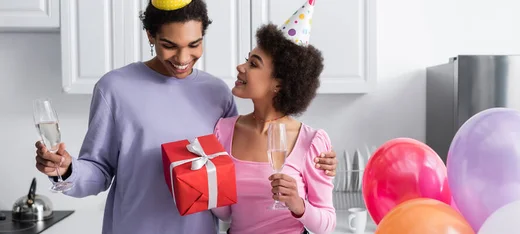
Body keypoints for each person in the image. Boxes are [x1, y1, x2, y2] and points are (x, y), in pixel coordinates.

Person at [33, 1, 337, 234]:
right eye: (169, 45)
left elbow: (229, 177)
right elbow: (98, 171)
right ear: (151, 35)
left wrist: (317, 163)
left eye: (194, 44)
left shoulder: (217, 93)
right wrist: (67, 170)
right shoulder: (114, 89)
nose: (182, 58)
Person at [211, 1, 336, 233]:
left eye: (253, 64)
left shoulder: (311, 141)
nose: (241, 67)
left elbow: (327, 225)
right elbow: (226, 213)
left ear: (278, 84)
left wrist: (298, 205)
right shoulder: (223, 131)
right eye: (247, 59)